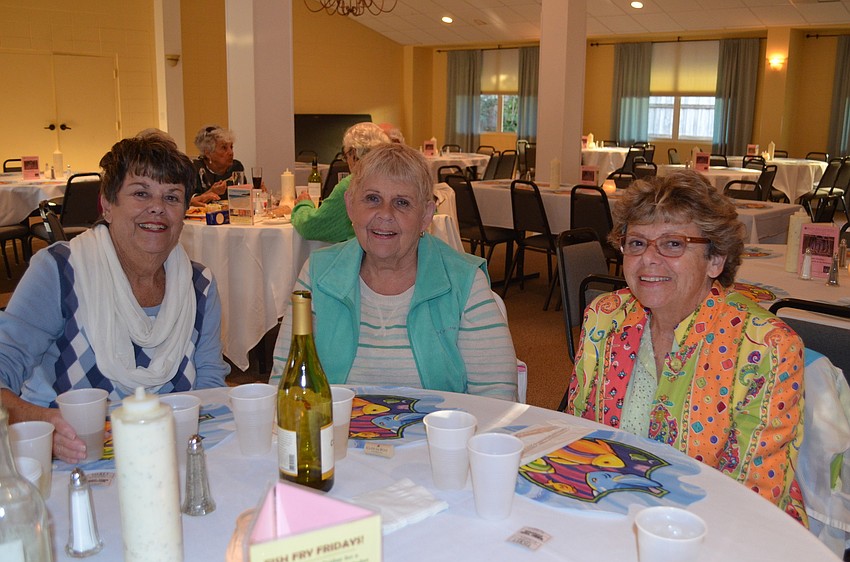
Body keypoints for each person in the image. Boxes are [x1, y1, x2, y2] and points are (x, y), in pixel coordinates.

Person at [566, 171, 807, 524]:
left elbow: (755, 495)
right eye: (636, 243)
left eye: (673, 243)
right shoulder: (605, 317)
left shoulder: (766, 347)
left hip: (718, 530)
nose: (648, 259)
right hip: (610, 512)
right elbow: (579, 434)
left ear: (715, 259)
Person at [0, 136, 230, 463]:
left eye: (172, 197)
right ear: (107, 204)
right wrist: (42, 423)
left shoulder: (199, 286)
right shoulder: (61, 272)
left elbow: (209, 389)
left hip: (171, 459)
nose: (157, 208)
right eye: (140, 193)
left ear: (184, 212)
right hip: (75, 463)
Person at [271, 143, 517, 400]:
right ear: (350, 205)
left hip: (438, 437)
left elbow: (496, 398)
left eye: (402, 202)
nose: (385, 214)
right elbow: (285, 384)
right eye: (372, 199)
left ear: (426, 215)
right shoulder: (318, 274)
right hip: (335, 434)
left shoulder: (464, 282)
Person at [291, 122, 390, 243]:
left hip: (362, 256)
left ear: (354, 153)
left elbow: (311, 227)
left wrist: (303, 204)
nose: (346, 161)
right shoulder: (394, 177)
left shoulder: (353, 184)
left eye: (346, 155)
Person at [190, 124, 245, 206]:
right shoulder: (194, 169)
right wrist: (212, 192)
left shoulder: (236, 167)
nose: (231, 152)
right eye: (224, 148)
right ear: (208, 153)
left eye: (231, 147)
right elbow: (189, 202)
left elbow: (242, 199)